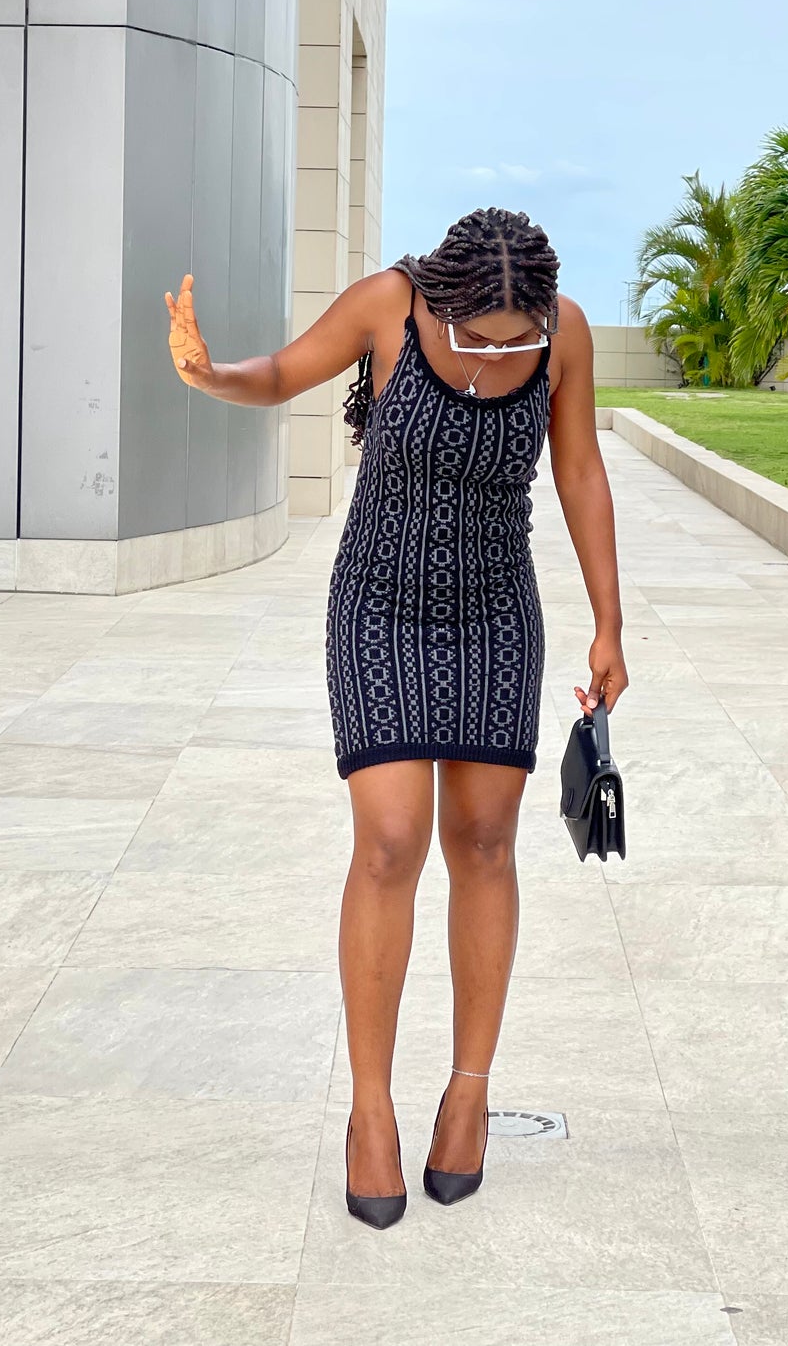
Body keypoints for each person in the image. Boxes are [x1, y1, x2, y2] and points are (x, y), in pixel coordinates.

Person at [165, 206, 627, 1227]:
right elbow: (281, 375)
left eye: (518, 339)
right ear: (445, 300)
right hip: (378, 599)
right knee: (387, 841)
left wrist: (609, 623)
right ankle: (367, 1108)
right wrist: (207, 372)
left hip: (496, 609)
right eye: (481, 334)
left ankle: (466, 1091)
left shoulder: (567, 334)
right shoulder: (387, 306)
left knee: (485, 843)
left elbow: (579, 470)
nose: (501, 353)